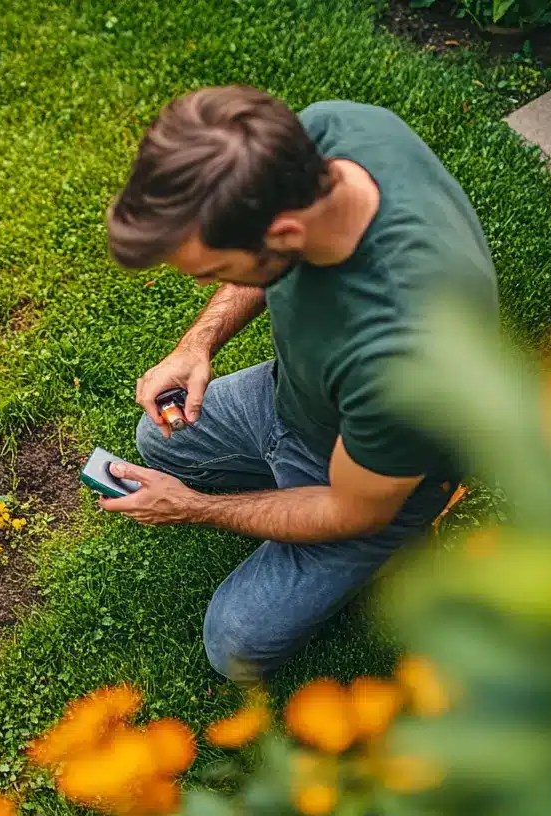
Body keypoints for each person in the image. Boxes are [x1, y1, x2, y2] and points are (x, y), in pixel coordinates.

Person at [99, 86, 498, 682]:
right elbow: (260, 270)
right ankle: (277, 472)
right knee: (156, 439)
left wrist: (195, 509)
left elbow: (349, 508)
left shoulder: (402, 350)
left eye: (213, 270)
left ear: (284, 234)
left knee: (234, 646)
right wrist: (197, 345)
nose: (208, 280)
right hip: (298, 399)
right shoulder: (331, 133)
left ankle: (407, 541)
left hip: (368, 482)